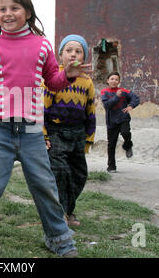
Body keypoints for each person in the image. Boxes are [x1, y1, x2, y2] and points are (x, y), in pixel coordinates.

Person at [0, 0, 92, 258]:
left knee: (45, 187)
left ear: (27, 12)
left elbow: (53, 81)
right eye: (2, 9)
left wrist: (69, 75)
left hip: (31, 132)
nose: (7, 13)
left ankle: (60, 240)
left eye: (14, 8)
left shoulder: (42, 45)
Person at [43, 34, 96, 227]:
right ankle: (61, 214)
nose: (73, 54)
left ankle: (68, 209)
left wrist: (89, 138)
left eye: (78, 51)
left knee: (78, 174)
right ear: (60, 55)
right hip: (56, 132)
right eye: (68, 50)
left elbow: (90, 111)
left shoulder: (87, 82)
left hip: (77, 134)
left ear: (84, 57)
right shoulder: (54, 77)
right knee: (60, 172)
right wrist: (43, 134)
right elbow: (43, 109)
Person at [101, 71, 140, 173]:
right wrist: (116, 97)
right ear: (107, 81)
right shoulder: (104, 92)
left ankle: (127, 146)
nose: (114, 81)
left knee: (126, 133)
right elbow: (107, 105)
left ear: (119, 81)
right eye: (112, 79)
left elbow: (135, 98)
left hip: (123, 118)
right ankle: (111, 166)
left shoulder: (124, 91)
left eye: (116, 79)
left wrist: (131, 105)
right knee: (111, 144)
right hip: (111, 121)